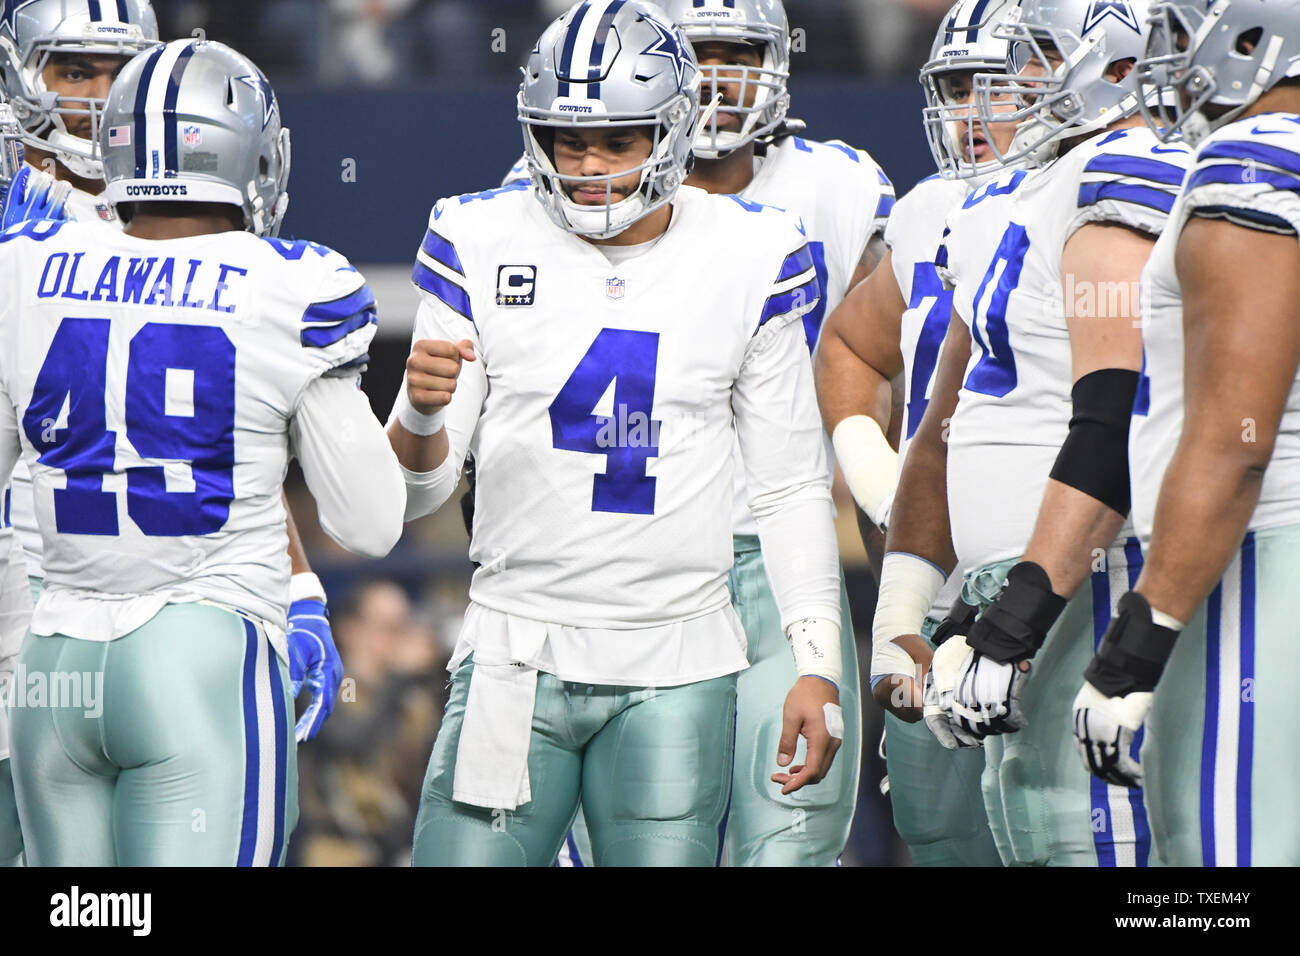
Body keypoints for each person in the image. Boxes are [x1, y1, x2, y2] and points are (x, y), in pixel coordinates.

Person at [389, 0, 844, 867]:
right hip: (514, 649)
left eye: (619, 141)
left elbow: (787, 485)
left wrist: (815, 660)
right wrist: (417, 414)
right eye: (570, 141)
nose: (590, 165)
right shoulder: (478, 233)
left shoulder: (753, 250)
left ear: (672, 132)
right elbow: (418, 496)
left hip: (676, 660)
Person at [0, 38, 405, 865]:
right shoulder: (292, 285)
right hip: (199, 658)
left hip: (51, 670)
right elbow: (369, 523)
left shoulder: (23, 265)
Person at [875, 0, 1190, 865]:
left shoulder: (1125, 171)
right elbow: (947, 424)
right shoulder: (1001, 199)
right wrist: (942, 615)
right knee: (1036, 837)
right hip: (1016, 588)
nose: (1006, 88)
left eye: (1035, 59)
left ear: (1118, 67)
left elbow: (1114, 413)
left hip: (1098, 579)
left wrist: (1016, 617)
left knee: (1110, 846)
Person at [1073, 0, 1300, 867]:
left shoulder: (1256, 161)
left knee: (1217, 883)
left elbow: (1235, 438)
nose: (1167, 52)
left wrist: (1139, 640)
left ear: (1256, 37)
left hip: (1255, 569)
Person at [814, 0, 1015, 866]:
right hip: (937, 585)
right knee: (940, 835)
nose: (971, 110)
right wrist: (879, 482)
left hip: (1070, 581)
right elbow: (851, 344)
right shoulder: (928, 210)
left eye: (996, 87)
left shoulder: (1108, 197)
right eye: (957, 87)